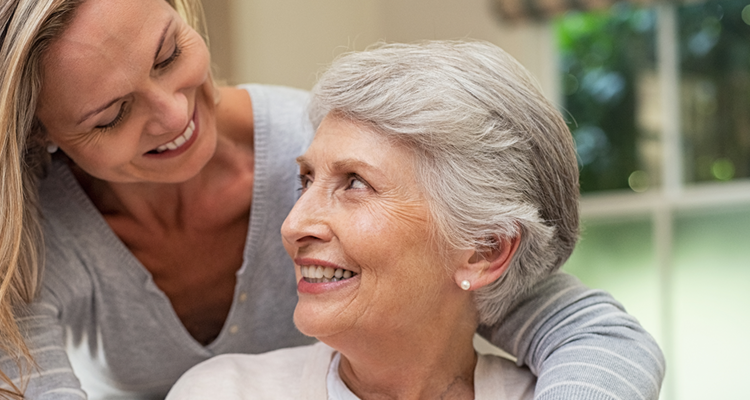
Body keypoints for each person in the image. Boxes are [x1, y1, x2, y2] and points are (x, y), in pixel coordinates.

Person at [0, 0, 665, 398]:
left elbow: (588, 330)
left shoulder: (325, 152)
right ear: (41, 137)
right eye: (109, 115)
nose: (174, 115)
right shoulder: (28, 238)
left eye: (169, 54)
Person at [166, 40, 664, 399]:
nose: (294, 224)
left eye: (356, 183)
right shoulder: (222, 391)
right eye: (306, 179)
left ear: (485, 250)